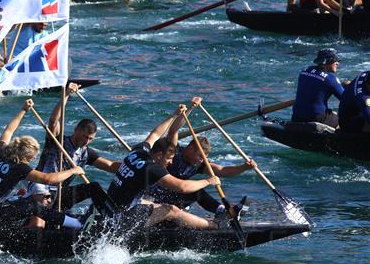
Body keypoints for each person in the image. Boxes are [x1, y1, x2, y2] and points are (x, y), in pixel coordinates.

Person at [0, 99, 88, 238]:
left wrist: (23, 110)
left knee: (21, 198)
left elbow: (9, 129)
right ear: (25, 156)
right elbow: (48, 179)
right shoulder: (19, 168)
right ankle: (77, 224)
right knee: (33, 207)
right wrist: (74, 170)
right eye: (31, 158)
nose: (32, 160)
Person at [106, 104, 222, 232]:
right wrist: (209, 181)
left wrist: (174, 115)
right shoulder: (152, 168)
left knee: (159, 205)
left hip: (112, 206)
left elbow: (156, 134)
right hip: (124, 220)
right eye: (169, 158)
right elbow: (182, 187)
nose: (171, 163)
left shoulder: (139, 150)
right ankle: (214, 226)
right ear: (160, 154)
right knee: (172, 210)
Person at [146, 99, 255, 219]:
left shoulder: (198, 164)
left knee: (195, 189)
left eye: (203, 158)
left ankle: (224, 212)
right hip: (155, 197)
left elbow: (223, 170)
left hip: (175, 197)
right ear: (191, 149)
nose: (201, 160)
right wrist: (190, 109)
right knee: (194, 190)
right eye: (200, 156)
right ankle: (223, 211)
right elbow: (173, 130)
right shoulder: (174, 152)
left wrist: (245, 167)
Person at [31, 86, 120, 212]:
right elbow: (53, 122)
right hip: (41, 188)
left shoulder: (85, 153)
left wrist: (138, 166)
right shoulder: (57, 141)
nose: (86, 141)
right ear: (76, 129)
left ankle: (108, 217)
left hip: (61, 194)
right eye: (85, 137)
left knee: (93, 187)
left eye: (90, 139)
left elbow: (111, 166)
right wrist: (66, 94)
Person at [291, 48, 344, 127]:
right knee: (343, 121)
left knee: (332, 114)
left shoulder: (304, 70)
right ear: (328, 61)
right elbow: (345, 98)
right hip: (316, 118)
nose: (337, 63)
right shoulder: (331, 79)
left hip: (296, 116)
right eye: (335, 60)